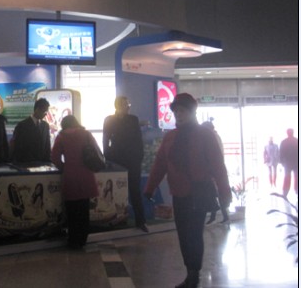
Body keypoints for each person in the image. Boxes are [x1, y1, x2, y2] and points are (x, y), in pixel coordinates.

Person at [143, 93, 231, 288]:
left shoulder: (205, 135)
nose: (178, 114)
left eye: (182, 111)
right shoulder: (170, 137)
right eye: (176, 111)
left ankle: (193, 275)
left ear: (192, 112)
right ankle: (190, 272)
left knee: (193, 234)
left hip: (198, 193)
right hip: (179, 194)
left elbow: (218, 166)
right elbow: (160, 164)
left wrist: (225, 192)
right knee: (183, 234)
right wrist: (150, 188)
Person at [51, 115, 99, 249]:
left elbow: (54, 157)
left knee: (72, 211)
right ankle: (83, 239)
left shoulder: (61, 136)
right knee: (84, 210)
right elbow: (96, 151)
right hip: (86, 175)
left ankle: (73, 240)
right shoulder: (87, 134)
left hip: (70, 176)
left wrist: (63, 167)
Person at [102, 96, 148, 232]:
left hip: (132, 159)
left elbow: (138, 139)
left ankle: (140, 221)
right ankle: (115, 220)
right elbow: (105, 139)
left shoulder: (133, 119)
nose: (128, 106)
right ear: (118, 106)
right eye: (125, 104)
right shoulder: (109, 119)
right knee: (115, 189)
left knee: (135, 190)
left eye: (128, 104)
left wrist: (140, 156)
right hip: (116, 158)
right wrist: (107, 157)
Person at [201, 120, 229, 225]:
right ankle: (219, 217)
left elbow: (213, 155)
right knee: (214, 193)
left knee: (213, 193)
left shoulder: (212, 137)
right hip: (217, 169)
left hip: (214, 170)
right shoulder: (216, 136)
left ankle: (219, 217)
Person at [12, 98, 51, 164]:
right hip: (26, 163)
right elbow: (18, 147)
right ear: (37, 109)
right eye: (44, 111)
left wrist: (47, 162)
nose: (46, 114)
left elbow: (47, 146)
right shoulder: (22, 125)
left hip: (42, 164)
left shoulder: (45, 126)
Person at [279, 128, 298, 197]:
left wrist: (281, 161)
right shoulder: (297, 141)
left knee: (287, 177)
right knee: (296, 177)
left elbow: (281, 152)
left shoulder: (284, 142)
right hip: (296, 161)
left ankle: (285, 192)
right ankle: (297, 191)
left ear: (287, 133)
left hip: (287, 162)